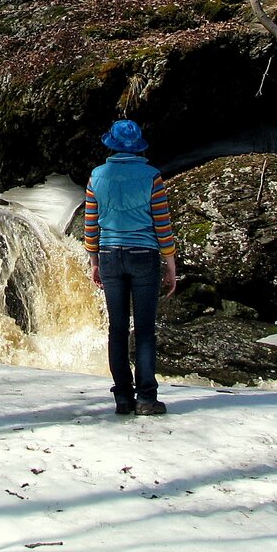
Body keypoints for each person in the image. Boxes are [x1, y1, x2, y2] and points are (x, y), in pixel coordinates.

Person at [84, 119, 177, 416]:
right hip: (144, 255)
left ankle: (123, 397)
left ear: (111, 144)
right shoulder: (152, 176)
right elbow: (161, 223)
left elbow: (90, 224)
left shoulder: (97, 177)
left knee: (117, 329)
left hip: (110, 255)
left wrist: (94, 261)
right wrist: (171, 262)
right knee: (146, 330)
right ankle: (147, 398)